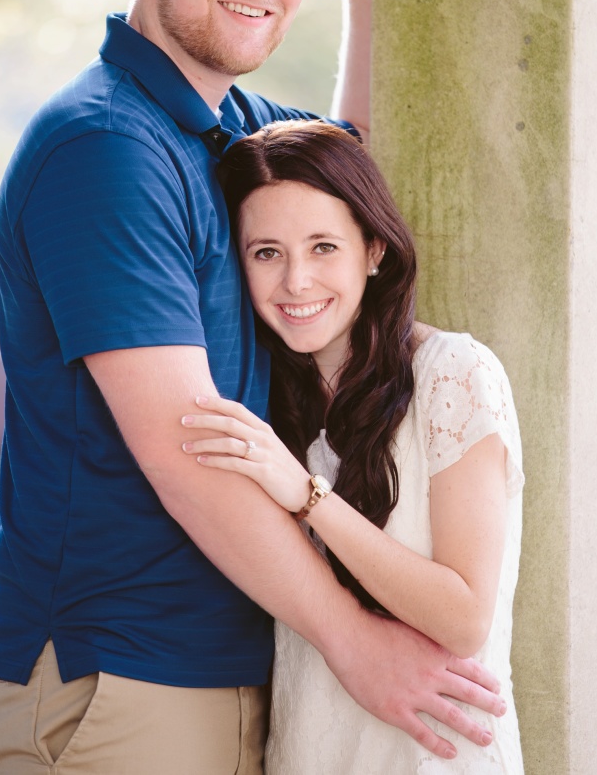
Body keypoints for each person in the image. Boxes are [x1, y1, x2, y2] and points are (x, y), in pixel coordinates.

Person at [0, 0, 507, 775]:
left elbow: (359, 158)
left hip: (228, 668)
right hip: (113, 682)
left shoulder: (221, 126)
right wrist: (356, 641)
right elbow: (188, 455)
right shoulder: (106, 150)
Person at [181, 119, 524, 773]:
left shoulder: (453, 373)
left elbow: (463, 618)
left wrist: (306, 496)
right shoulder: (266, 398)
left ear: (373, 249)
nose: (297, 283)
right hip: (309, 753)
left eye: (322, 247)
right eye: (267, 253)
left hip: (436, 756)